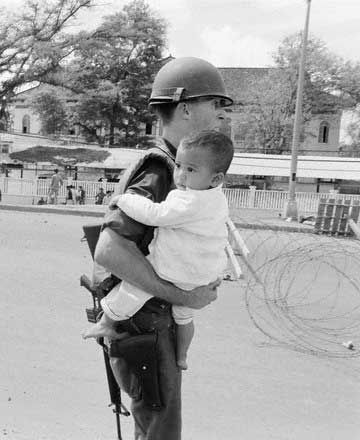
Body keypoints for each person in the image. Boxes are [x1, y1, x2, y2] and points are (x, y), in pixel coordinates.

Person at [85, 57, 231, 440]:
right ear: (185, 108)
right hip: (145, 324)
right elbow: (109, 251)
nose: (222, 114)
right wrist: (186, 295)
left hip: (148, 324)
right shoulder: (161, 171)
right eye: (215, 103)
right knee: (159, 432)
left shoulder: (175, 168)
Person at [83, 130, 233, 371]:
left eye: (191, 170)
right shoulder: (217, 198)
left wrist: (123, 200)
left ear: (215, 179)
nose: (181, 175)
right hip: (204, 274)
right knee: (184, 317)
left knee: (134, 288)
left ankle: (106, 323)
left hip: (176, 270)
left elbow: (155, 214)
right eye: (179, 166)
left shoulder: (188, 201)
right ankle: (182, 356)